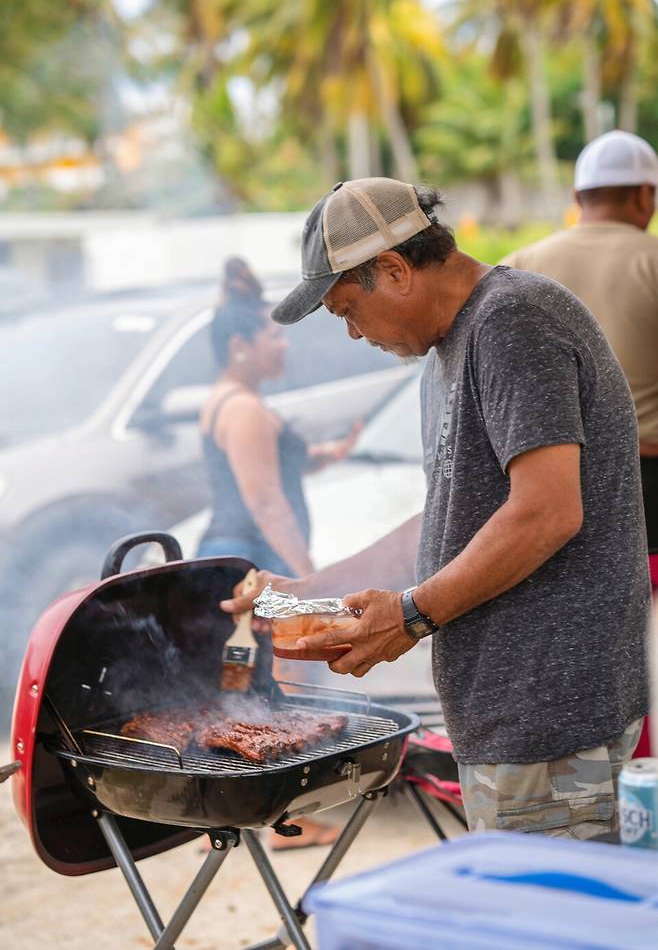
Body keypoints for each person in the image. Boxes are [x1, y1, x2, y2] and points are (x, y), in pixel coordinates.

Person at [221, 177, 650, 839]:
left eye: (346, 309)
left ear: (395, 270)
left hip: (550, 714)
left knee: (542, 906)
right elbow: (447, 520)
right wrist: (309, 593)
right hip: (508, 714)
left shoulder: (513, 321)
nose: (352, 332)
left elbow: (547, 511)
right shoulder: (447, 350)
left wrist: (412, 614)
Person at [198, 256, 359, 849]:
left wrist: (324, 457)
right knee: (278, 687)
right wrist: (311, 582)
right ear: (240, 346)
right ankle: (284, 817)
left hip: (233, 558)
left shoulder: (229, 400)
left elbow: (268, 470)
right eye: (272, 336)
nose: (283, 345)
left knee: (240, 687)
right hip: (256, 566)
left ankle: (224, 808)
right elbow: (266, 501)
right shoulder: (244, 410)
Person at [501, 131, 658, 572]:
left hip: (540, 489)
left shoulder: (517, 267)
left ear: (577, 196)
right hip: (648, 485)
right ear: (645, 194)